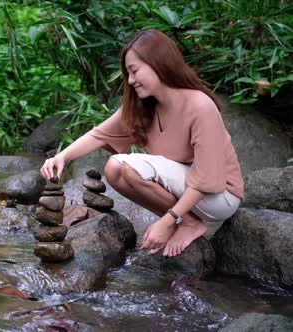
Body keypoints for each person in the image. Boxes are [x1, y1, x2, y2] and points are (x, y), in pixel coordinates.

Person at [40, 29, 244, 257]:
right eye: (128, 73)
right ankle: (186, 221)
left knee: (121, 165)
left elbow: (206, 179)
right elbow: (99, 135)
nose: (130, 80)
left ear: (159, 64)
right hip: (190, 188)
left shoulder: (199, 106)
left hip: (219, 197)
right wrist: (62, 157)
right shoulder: (145, 105)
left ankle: (188, 223)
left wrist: (167, 220)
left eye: (134, 71)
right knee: (116, 171)